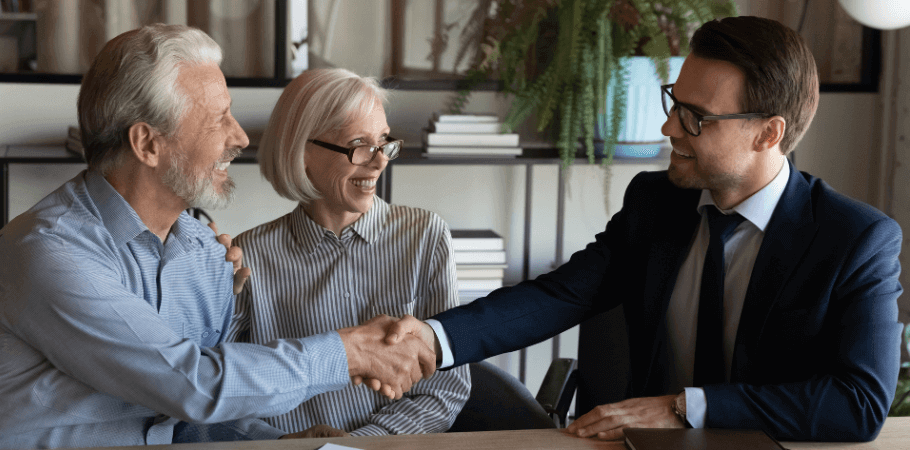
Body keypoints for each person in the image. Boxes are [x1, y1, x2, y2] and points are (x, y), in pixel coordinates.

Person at [384, 16, 903, 442]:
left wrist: (684, 408)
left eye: (696, 118)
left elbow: (856, 403)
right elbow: (558, 296)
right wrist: (435, 336)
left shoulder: (854, 240)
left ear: (768, 133)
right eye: (674, 102)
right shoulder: (655, 203)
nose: (669, 128)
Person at [0, 24, 435, 449]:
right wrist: (349, 353)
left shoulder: (206, 253)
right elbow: (191, 385)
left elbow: (186, 420)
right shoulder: (47, 252)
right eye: (217, 120)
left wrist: (279, 441)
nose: (240, 137)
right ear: (147, 144)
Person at [224, 68, 470, 437]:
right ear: (303, 151)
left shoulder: (424, 236)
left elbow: (447, 388)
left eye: (384, 142)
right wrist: (279, 441)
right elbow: (222, 388)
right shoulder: (250, 255)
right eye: (360, 145)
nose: (379, 161)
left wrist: (361, 443)